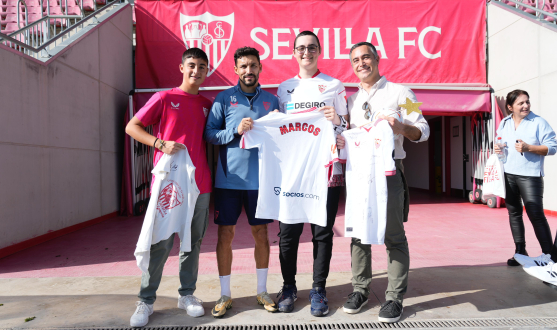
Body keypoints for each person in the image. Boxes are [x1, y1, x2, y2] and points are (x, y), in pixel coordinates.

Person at [336, 42, 429, 323]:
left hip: (388, 174)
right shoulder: (349, 101)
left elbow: (423, 128)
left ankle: (394, 298)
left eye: (366, 57)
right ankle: (360, 290)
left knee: (393, 236)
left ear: (377, 59)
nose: (361, 63)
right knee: (358, 234)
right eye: (355, 60)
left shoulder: (402, 93)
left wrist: (401, 128)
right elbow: (345, 135)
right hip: (358, 175)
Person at [125, 48, 213, 327]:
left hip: (200, 185)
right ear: (181, 67)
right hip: (168, 184)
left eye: (201, 66)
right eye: (191, 65)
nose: (195, 71)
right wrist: (159, 144)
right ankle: (146, 300)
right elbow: (132, 126)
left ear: (206, 70)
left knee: (192, 242)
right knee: (160, 242)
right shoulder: (164, 97)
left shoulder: (207, 104)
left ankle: (187, 295)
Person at [275, 31, 348, 317]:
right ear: (293, 52)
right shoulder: (284, 88)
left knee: (322, 232)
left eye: (312, 47)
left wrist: (338, 121)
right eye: (301, 48)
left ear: (319, 51)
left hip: (324, 170)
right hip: (292, 172)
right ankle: (289, 286)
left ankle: (318, 289)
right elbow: (278, 129)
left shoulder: (334, 85)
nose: (306, 52)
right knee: (288, 232)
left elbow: (344, 125)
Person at [204, 47, 280, 318]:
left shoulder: (272, 101)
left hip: (261, 182)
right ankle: (225, 295)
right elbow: (210, 135)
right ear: (236, 70)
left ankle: (262, 291)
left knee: (261, 234)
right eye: (243, 66)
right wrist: (234, 132)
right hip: (229, 182)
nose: (249, 70)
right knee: (226, 235)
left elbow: (283, 137)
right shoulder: (223, 99)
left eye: (253, 65)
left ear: (260, 68)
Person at [493, 90, 556, 270]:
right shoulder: (504, 123)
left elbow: (552, 147)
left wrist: (529, 148)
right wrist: (498, 148)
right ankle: (520, 251)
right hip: (509, 174)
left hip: (531, 176)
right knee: (514, 213)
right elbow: (499, 141)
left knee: (536, 215)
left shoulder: (538, 122)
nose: (526, 106)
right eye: (521, 103)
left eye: (527, 102)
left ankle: (550, 257)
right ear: (510, 107)